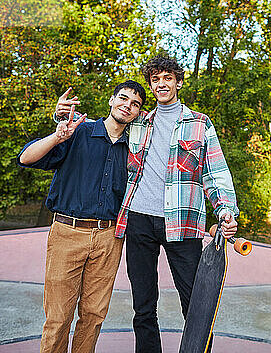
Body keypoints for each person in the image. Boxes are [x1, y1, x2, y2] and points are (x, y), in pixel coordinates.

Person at [55, 56, 239, 353]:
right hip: (139, 221)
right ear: (152, 86)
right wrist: (61, 118)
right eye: (156, 80)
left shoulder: (200, 124)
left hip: (183, 225)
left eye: (167, 78)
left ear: (178, 82)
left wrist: (226, 211)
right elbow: (102, 126)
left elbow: (215, 174)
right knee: (143, 306)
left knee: (196, 305)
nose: (161, 84)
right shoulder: (139, 121)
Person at [18, 80, 146, 353]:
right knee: (58, 317)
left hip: (109, 237)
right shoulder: (78, 131)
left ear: (138, 113)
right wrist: (57, 135)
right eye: (123, 98)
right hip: (68, 232)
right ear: (111, 100)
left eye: (135, 104)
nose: (127, 105)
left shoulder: (135, 148)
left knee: (94, 315)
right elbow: (26, 158)